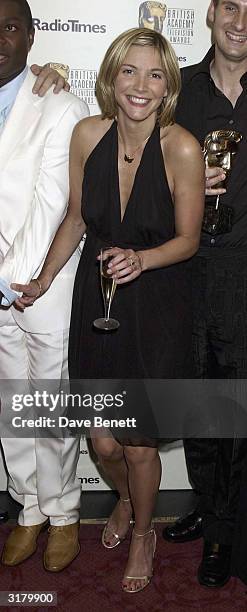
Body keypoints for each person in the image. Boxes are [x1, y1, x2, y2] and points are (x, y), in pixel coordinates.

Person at [13, 27, 204, 592]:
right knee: (101, 438)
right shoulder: (85, 134)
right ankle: (125, 499)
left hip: (158, 305)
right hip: (96, 298)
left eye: (154, 74)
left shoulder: (182, 147)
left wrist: (142, 260)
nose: (140, 86)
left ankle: (143, 531)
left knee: (139, 441)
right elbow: (76, 217)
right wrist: (45, 278)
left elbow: (189, 239)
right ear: (111, 75)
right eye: (129, 71)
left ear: (168, 83)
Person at [0, 0, 89, 571]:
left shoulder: (60, 103)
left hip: (42, 283)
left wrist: (12, 281)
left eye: (10, 26)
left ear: (31, 36)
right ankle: (29, 506)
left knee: (49, 404)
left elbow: (53, 207)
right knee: (13, 403)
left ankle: (63, 511)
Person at [163, 0, 247, 589]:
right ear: (211, 14)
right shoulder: (178, 93)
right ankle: (208, 501)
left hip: (245, 275)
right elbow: (136, 165)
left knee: (235, 408)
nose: (241, 22)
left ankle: (225, 526)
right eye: (232, 7)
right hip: (187, 272)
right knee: (198, 401)